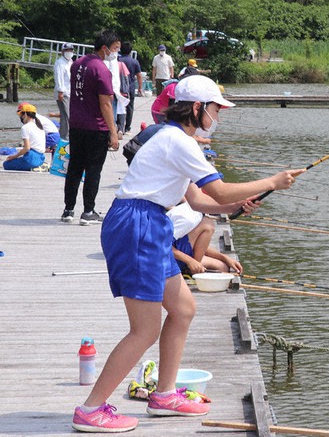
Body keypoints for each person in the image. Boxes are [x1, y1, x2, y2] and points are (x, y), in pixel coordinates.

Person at [71, 75, 304, 433]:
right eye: (215, 109)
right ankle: (91, 408)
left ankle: (164, 395)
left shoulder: (175, 139)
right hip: (138, 225)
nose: (218, 116)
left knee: (183, 308)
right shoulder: (179, 142)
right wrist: (272, 182)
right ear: (197, 108)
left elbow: (199, 199)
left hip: (149, 222)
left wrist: (239, 202)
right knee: (144, 329)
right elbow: (221, 190)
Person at [62, 30, 120, 225]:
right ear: (105, 49)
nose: (116, 53)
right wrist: (113, 132)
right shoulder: (102, 69)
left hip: (77, 125)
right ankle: (88, 211)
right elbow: (105, 104)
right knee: (93, 169)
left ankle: (68, 209)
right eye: (115, 49)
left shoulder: (77, 64)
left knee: (75, 168)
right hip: (96, 127)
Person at [168, 194, 244, 275]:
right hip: (165, 259)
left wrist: (225, 258)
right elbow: (163, 246)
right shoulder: (189, 219)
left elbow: (199, 246)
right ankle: (193, 270)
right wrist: (190, 261)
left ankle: (194, 267)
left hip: (177, 254)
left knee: (223, 267)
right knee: (208, 226)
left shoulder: (197, 212)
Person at [3, 103, 46, 171]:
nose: (20, 117)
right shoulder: (40, 127)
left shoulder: (25, 127)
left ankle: (31, 166)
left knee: (6, 164)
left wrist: (14, 157)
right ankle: (38, 166)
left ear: (25, 114)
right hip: (41, 158)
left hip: (30, 159)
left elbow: (27, 148)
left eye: (21, 114)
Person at [119, 42, 143, 134]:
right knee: (129, 107)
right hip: (130, 87)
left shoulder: (118, 60)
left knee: (119, 107)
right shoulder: (134, 61)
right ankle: (127, 127)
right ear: (130, 51)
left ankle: (119, 126)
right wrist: (140, 88)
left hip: (119, 87)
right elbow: (139, 75)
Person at [54, 43, 74, 140]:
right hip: (63, 93)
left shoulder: (71, 62)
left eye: (70, 50)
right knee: (66, 116)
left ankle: (65, 136)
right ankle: (64, 138)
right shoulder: (59, 63)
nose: (69, 52)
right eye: (67, 50)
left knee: (67, 116)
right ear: (62, 52)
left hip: (70, 93)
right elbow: (59, 78)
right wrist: (60, 91)